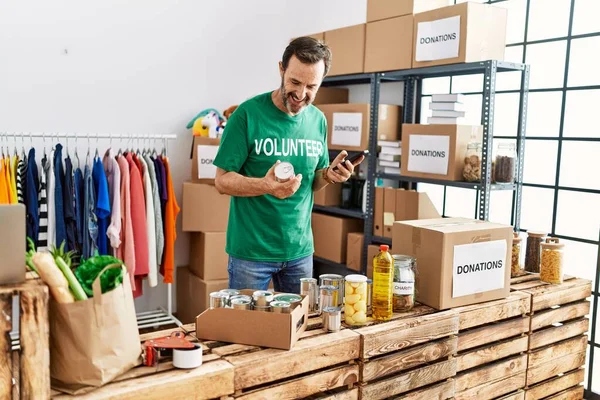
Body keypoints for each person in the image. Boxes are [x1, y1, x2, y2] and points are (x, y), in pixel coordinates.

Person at [213, 37, 365, 294]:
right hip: (251, 253)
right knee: (247, 331)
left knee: (298, 330)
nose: (301, 93)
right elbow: (221, 180)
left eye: (311, 86)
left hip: (300, 253)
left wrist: (329, 175)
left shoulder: (318, 120)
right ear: (281, 69)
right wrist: (265, 186)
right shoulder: (246, 115)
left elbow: (311, 181)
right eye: (294, 82)